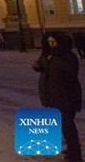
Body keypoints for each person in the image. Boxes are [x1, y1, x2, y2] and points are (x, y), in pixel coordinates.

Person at [32, 32, 82, 162]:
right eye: (49, 42)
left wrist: (53, 59)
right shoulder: (47, 55)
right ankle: (71, 149)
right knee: (62, 125)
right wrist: (37, 66)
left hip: (67, 97)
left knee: (68, 126)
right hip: (52, 96)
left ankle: (76, 154)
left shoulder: (68, 56)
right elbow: (43, 66)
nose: (52, 44)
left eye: (54, 42)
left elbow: (71, 70)